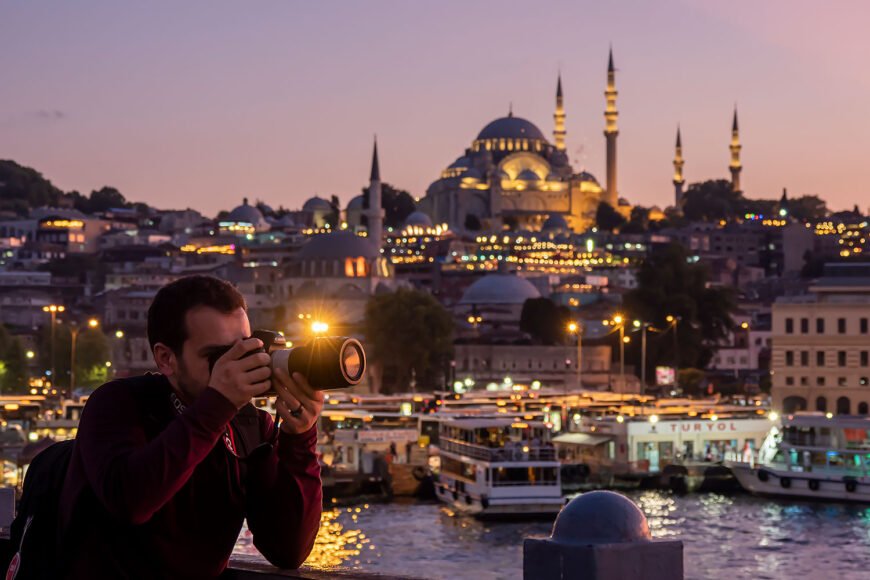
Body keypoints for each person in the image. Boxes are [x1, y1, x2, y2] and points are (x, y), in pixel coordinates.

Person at [58, 275, 324, 578]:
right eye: (219, 356)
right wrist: (218, 405)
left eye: (245, 351)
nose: (235, 366)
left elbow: (287, 550)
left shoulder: (249, 425)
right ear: (166, 358)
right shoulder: (117, 404)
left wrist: (300, 438)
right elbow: (131, 501)